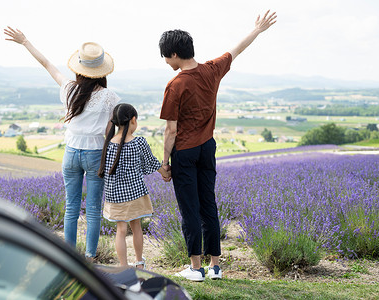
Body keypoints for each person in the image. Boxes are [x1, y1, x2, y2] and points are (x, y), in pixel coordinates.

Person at [159, 11, 277, 281]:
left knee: (189, 209)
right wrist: (257, 29)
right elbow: (236, 50)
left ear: (175, 54)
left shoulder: (175, 85)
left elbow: (171, 130)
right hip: (207, 148)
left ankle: (195, 268)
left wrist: (165, 162)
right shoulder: (212, 70)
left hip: (185, 152)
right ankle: (215, 267)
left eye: (166, 56)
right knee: (208, 205)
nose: (165, 61)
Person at [4, 27, 120, 260]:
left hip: (70, 153)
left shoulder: (68, 89)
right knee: (94, 209)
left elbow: (46, 64)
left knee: (71, 207)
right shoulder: (110, 97)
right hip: (95, 154)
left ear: (79, 68)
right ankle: (88, 256)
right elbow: (110, 133)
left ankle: (69, 257)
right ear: (101, 72)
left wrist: (25, 41)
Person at [98, 103, 170, 268]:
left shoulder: (108, 144)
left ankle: (123, 266)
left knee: (121, 231)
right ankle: (139, 263)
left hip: (114, 196)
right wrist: (165, 173)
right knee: (137, 227)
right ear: (133, 120)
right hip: (136, 193)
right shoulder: (139, 142)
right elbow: (151, 163)